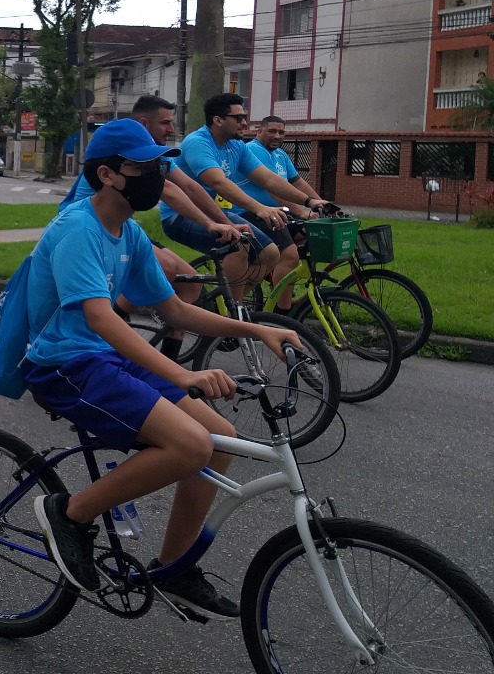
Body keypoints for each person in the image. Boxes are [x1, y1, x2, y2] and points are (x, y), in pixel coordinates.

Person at [24, 119, 301, 619]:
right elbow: (100, 317)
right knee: (190, 444)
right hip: (64, 364)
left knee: (219, 440)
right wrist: (181, 374)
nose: (157, 176)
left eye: (159, 166)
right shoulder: (78, 229)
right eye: (144, 167)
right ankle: (69, 513)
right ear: (107, 175)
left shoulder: (128, 232)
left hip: (102, 358)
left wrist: (257, 329)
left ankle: (174, 568)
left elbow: (173, 310)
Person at [61, 96, 245, 360]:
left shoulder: (153, 155)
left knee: (190, 283)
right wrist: (210, 224)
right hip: (94, 227)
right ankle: (110, 328)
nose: (171, 129)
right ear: (144, 123)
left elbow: (187, 186)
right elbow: (168, 189)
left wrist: (223, 223)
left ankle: (169, 359)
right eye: (165, 123)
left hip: (124, 226)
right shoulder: (124, 151)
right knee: (166, 269)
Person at [161, 93, 328, 304]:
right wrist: (259, 208)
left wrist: (309, 201)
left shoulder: (236, 145)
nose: (244, 122)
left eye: (244, 117)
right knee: (239, 247)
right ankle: (233, 313)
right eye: (238, 118)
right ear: (218, 120)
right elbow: (219, 183)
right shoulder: (198, 142)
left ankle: (230, 306)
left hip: (214, 212)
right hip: (180, 215)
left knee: (269, 254)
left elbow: (268, 179)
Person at [237, 115, 324, 314]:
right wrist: (302, 211)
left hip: (277, 213)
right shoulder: (253, 150)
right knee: (291, 255)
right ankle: (280, 311)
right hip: (253, 212)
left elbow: (297, 182)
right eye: (272, 131)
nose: (277, 136)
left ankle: (283, 294)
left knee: (308, 237)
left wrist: (322, 205)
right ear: (259, 131)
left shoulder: (280, 155)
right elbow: (272, 188)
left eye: (281, 132)